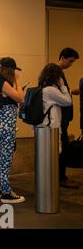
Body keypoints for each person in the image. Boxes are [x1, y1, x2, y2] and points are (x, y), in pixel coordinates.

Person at [0, 57, 25, 204]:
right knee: (6, 156)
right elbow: (20, 98)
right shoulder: (4, 83)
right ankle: (6, 193)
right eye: (14, 71)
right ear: (10, 71)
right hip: (6, 123)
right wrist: (17, 82)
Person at [57, 48, 80, 189]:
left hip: (62, 118)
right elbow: (60, 94)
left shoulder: (59, 72)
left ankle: (61, 176)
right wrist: (69, 94)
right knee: (63, 147)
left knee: (63, 147)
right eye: (70, 61)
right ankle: (61, 177)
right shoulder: (56, 71)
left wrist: (72, 91)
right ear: (63, 57)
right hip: (60, 119)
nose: (71, 64)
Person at [36, 64, 72, 150]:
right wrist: (63, 86)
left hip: (44, 125)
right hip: (51, 126)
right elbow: (68, 101)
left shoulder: (42, 87)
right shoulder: (51, 90)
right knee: (53, 152)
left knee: (46, 153)